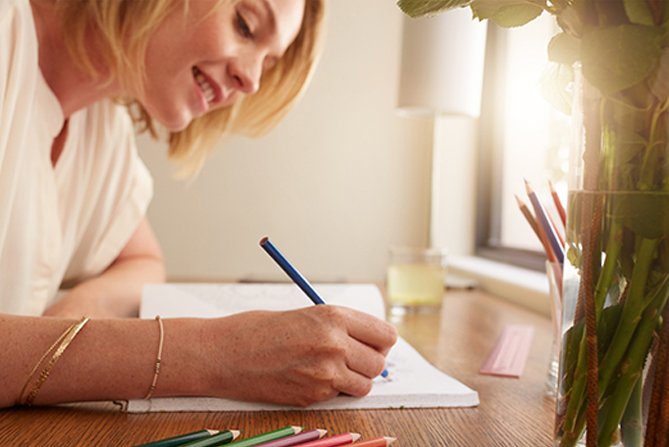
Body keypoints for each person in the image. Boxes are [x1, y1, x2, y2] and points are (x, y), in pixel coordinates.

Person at [0, 0, 397, 409]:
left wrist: (75, 319)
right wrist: (213, 354)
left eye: (269, 61)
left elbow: (141, 261)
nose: (252, 80)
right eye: (245, 24)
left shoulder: (100, 128)